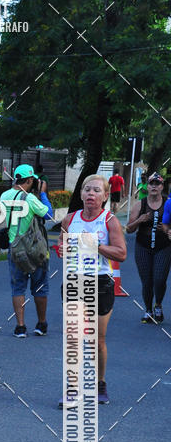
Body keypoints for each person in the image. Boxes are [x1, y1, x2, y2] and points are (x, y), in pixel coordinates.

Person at [58, 174, 127, 404]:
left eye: (97, 190)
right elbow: (63, 245)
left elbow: (122, 253)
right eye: (87, 190)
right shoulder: (70, 219)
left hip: (100, 282)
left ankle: (99, 384)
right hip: (74, 280)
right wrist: (62, 249)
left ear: (106, 196)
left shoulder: (109, 221)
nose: (91, 194)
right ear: (81, 194)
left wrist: (96, 246)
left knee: (97, 340)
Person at [0, 164, 50, 338]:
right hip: (35, 250)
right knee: (40, 288)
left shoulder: (4, 195)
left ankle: (20, 327)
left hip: (15, 249)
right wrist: (42, 193)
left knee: (18, 288)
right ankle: (41, 324)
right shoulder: (29, 198)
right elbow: (48, 214)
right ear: (29, 180)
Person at [126, 172, 171, 324]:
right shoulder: (140, 204)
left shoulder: (168, 203)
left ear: (162, 187)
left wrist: (166, 229)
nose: (154, 186)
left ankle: (158, 304)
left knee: (159, 279)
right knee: (146, 281)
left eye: (157, 184)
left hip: (163, 247)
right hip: (143, 247)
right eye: (151, 183)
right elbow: (129, 229)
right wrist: (140, 219)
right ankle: (148, 310)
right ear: (147, 186)